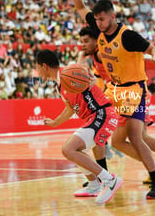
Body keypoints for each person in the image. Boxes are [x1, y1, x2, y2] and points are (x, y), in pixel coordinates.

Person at [71, 0, 155, 199]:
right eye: (97, 20)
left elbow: (152, 48)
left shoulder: (127, 36)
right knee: (108, 135)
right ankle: (106, 178)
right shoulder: (98, 27)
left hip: (134, 90)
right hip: (115, 90)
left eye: (102, 19)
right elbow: (81, 8)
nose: (99, 23)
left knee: (135, 137)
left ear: (112, 16)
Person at [78, 26, 155, 187]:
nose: (82, 45)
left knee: (137, 137)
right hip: (121, 95)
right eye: (81, 42)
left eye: (85, 41)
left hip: (134, 94)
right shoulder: (98, 57)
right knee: (119, 141)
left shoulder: (106, 53)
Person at [36, 49, 122, 205]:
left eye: (37, 68)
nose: (37, 71)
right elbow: (70, 108)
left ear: (44, 66)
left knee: (69, 149)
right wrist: (55, 122)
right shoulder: (59, 85)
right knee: (73, 150)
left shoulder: (70, 73)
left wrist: (92, 78)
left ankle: (110, 180)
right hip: (94, 117)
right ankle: (94, 184)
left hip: (103, 114)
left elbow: (86, 73)